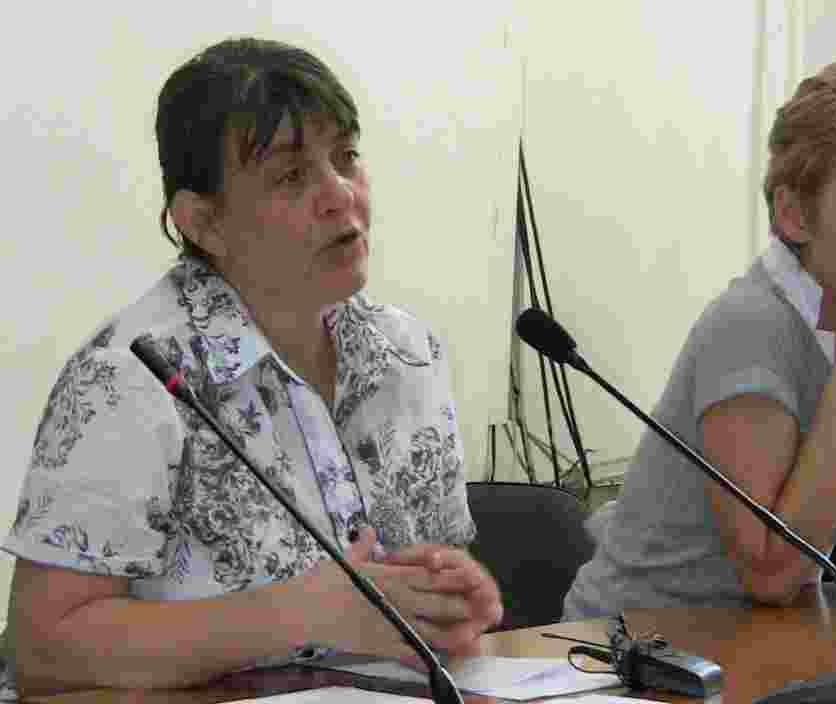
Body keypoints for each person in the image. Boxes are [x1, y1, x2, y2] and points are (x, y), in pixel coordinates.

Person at [0, 37, 502, 697]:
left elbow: (414, 597)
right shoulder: (131, 376)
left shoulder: (408, 354)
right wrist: (300, 613)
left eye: (347, 156)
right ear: (203, 221)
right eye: (291, 176)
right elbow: (45, 648)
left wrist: (446, 591)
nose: (338, 194)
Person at [565, 61, 836, 618]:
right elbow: (772, 572)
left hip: (773, 643)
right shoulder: (751, 326)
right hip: (632, 652)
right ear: (794, 215)